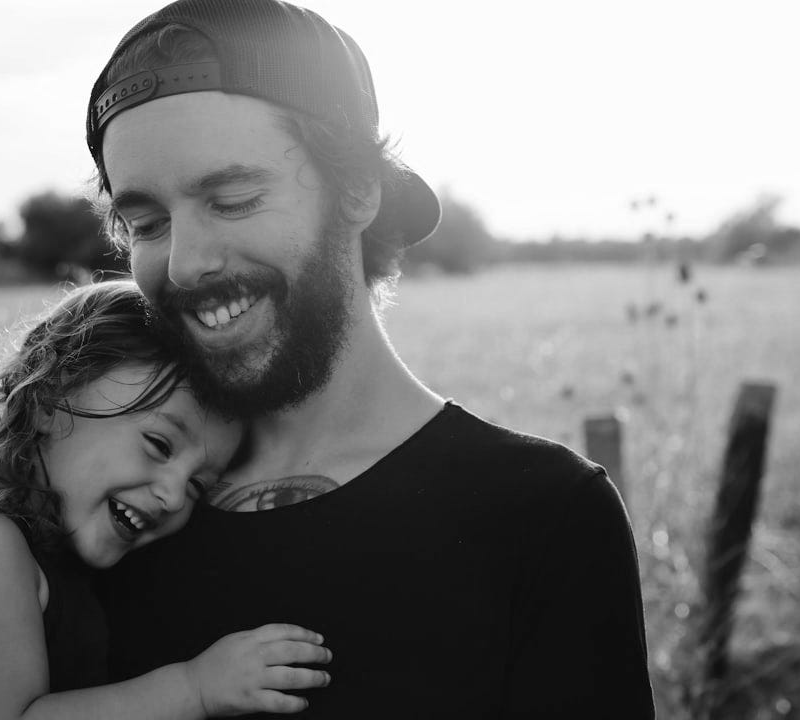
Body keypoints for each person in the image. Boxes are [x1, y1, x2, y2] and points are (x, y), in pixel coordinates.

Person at [89, 1, 655, 716]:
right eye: (146, 223)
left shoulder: (541, 518)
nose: (184, 265)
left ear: (357, 190)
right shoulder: (115, 508)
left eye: (231, 199)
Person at [0, 280, 332, 719]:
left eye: (196, 486)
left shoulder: (60, 563)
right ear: (48, 400)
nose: (170, 495)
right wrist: (195, 688)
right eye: (159, 445)